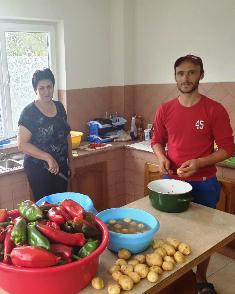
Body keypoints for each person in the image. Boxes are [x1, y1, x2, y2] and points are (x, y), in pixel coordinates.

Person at [151, 54, 235, 294]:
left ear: (201, 74)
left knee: (204, 238)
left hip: (205, 183)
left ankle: (200, 278)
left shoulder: (214, 109)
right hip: (171, 183)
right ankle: (176, 277)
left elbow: (228, 149)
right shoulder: (165, 109)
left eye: (191, 72)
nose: (185, 78)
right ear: (175, 77)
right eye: (180, 73)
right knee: (171, 232)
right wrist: (162, 158)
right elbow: (157, 141)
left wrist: (199, 162)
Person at [17, 68, 74, 201]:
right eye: (41, 88)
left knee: (62, 205)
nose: (46, 91)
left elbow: (66, 135)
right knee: (46, 207)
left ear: (53, 86)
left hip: (60, 166)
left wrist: (71, 161)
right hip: (39, 169)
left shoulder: (59, 107)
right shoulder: (29, 113)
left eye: (49, 87)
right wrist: (47, 157)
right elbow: (22, 144)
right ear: (35, 89)